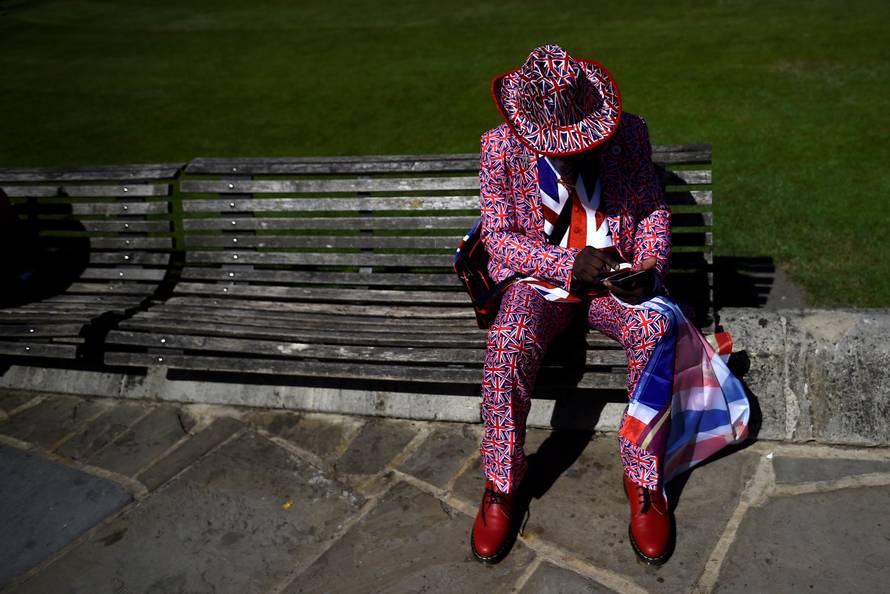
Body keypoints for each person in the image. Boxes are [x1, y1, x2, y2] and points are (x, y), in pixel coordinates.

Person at [469, 44, 748, 566]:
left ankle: (644, 477)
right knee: (507, 343)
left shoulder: (630, 134)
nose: (573, 151)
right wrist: (566, 265)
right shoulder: (498, 148)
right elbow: (500, 239)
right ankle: (502, 482)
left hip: (615, 283)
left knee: (656, 327)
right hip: (541, 283)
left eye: (580, 141)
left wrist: (649, 268)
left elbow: (651, 213)